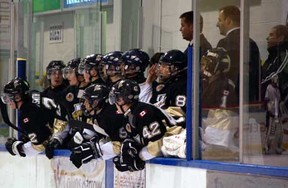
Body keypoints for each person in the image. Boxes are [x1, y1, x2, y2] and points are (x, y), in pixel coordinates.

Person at [216, 5, 261, 103]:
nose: (217, 24)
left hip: (228, 100)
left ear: (228, 21)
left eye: (219, 20)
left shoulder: (223, 43)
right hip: (249, 100)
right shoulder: (251, 43)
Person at [1, 77, 56, 157]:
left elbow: (40, 146)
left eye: (9, 97)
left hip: (64, 131)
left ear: (17, 97)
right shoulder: (33, 94)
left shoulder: (25, 115)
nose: (8, 101)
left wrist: (16, 147)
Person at [201, 47, 239, 152]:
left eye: (206, 63)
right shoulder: (206, 83)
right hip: (209, 133)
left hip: (218, 139)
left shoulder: (225, 85)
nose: (203, 67)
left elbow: (224, 116)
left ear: (216, 65)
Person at [149, 49, 187, 116]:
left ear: (175, 68)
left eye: (164, 66)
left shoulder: (182, 86)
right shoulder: (165, 85)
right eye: (161, 65)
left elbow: (179, 114)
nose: (160, 69)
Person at [261, 25, 288, 103]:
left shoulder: (284, 55)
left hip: (280, 102)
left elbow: (276, 74)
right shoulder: (272, 57)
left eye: (271, 35)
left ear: (281, 38)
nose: (267, 38)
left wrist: (257, 86)